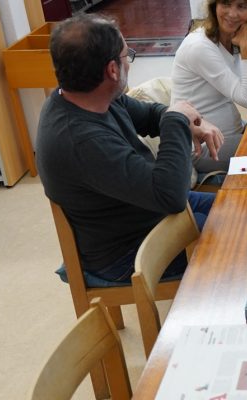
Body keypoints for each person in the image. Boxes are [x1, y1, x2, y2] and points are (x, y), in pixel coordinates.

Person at [37, 14, 223, 284]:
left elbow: (149, 115)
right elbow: (170, 195)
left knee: (239, 210)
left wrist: (184, 121)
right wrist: (177, 120)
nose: (129, 63)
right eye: (128, 56)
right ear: (112, 70)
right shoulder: (81, 140)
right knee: (237, 236)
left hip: (145, 211)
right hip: (126, 252)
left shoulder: (89, 95)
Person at [172, 0, 247, 175]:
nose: (232, 14)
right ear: (214, 7)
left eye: (241, 6)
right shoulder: (200, 47)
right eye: (225, 4)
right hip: (202, 148)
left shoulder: (233, 38)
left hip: (232, 133)